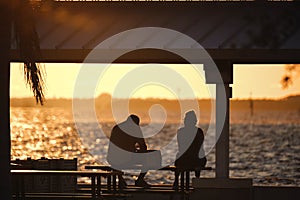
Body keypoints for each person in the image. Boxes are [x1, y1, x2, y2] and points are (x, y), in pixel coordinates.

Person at [107, 114, 150, 188]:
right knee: (149, 158)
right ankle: (140, 179)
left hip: (111, 159)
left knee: (117, 157)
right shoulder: (135, 129)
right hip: (126, 158)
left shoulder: (116, 128)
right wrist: (138, 151)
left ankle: (121, 180)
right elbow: (143, 146)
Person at [173, 110, 207, 188]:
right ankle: (197, 178)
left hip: (184, 160)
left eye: (185, 119)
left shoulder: (181, 132)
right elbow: (200, 148)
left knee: (179, 156)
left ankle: (176, 180)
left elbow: (180, 147)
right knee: (199, 155)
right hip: (197, 160)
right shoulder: (199, 131)